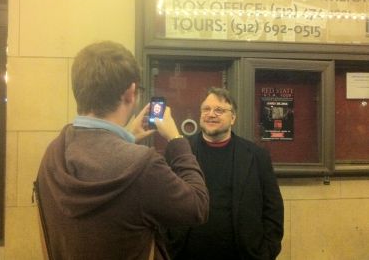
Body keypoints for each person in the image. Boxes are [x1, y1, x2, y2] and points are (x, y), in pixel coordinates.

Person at [35, 41, 209, 260]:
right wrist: (176, 139)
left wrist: (126, 137)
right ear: (130, 93)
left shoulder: (54, 150)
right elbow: (197, 206)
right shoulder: (143, 164)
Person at [166, 87, 284, 260]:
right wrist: (167, 243)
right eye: (206, 109)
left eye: (219, 110)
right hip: (185, 253)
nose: (211, 114)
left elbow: (273, 208)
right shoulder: (180, 152)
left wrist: (267, 251)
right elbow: (163, 200)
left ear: (233, 118)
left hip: (243, 254)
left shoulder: (256, 156)